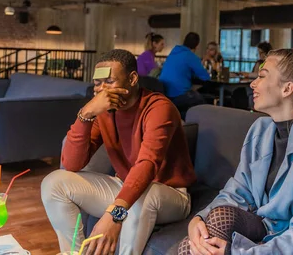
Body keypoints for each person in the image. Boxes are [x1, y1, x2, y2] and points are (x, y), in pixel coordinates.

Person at [177, 49, 293, 255]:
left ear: (287, 89)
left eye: (262, 76)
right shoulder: (260, 129)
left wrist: (237, 252)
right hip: (266, 227)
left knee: (193, 247)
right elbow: (237, 191)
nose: (252, 83)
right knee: (205, 231)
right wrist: (199, 218)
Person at [41, 49, 196, 255]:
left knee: (143, 194)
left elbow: (147, 165)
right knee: (54, 182)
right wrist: (85, 114)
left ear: (132, 79)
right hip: (126, 187)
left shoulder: (158, 108)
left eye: (110, 81)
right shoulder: (105, 111)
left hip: (170, 194)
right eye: (97, 83)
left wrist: (115, 215)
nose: (102, 90)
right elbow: (71, 164)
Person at [159, 32, 211, 118]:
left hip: (164, 93)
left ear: (184, 41)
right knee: (202, 101)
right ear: (197, 46)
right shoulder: (190, 56)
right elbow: (205, 76)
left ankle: (183, 122)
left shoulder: (174, 52)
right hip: (177, 94)